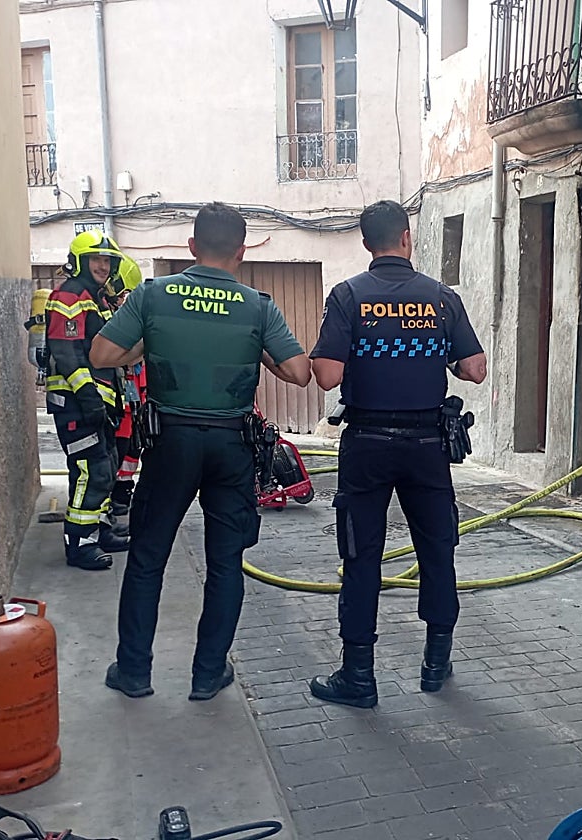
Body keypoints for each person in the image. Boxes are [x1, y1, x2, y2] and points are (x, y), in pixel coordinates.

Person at [89, 202, 311, 701]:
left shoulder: (152, 295)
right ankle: (208, 675)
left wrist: (146, 346)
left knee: (147, 558)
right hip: (232, 446)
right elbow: (300, 372)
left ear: (192, 246)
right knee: (225, 563)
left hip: (170, 443)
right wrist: (256, 350)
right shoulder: (257, 306)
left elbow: (102, 354)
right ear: (242, 251)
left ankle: (134, 672)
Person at [307, 199, 487, 709]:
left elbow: (328, 376)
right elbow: (475, 369)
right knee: (437, 551)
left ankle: (358, 677)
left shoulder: (348, 295)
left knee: (360, 556)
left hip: (366, 444)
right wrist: (436, 353)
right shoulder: (441, 297)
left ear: (367, 243)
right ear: (407, 238)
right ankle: (435, 665)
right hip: (427, 446)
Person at [44, 230, 133, 571]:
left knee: (106, 467)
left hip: (98, 403)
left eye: (107, 260)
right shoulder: (69, 296)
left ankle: (101, 529)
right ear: (79, 261)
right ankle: (80, 544)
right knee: (90, 471)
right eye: (96, 259)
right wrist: (88, 398)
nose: (103, 266)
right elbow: (67, 353)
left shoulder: (97, 298)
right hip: (75, 404)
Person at [103, 258, 148, 517]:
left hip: (134, 394)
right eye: (122, 295)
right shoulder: (105, 315)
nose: (125, 300)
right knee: (116, 448)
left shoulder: (127, 314)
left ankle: (122, 493)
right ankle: (112, 498)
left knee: (132, 447)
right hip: (114, 396)